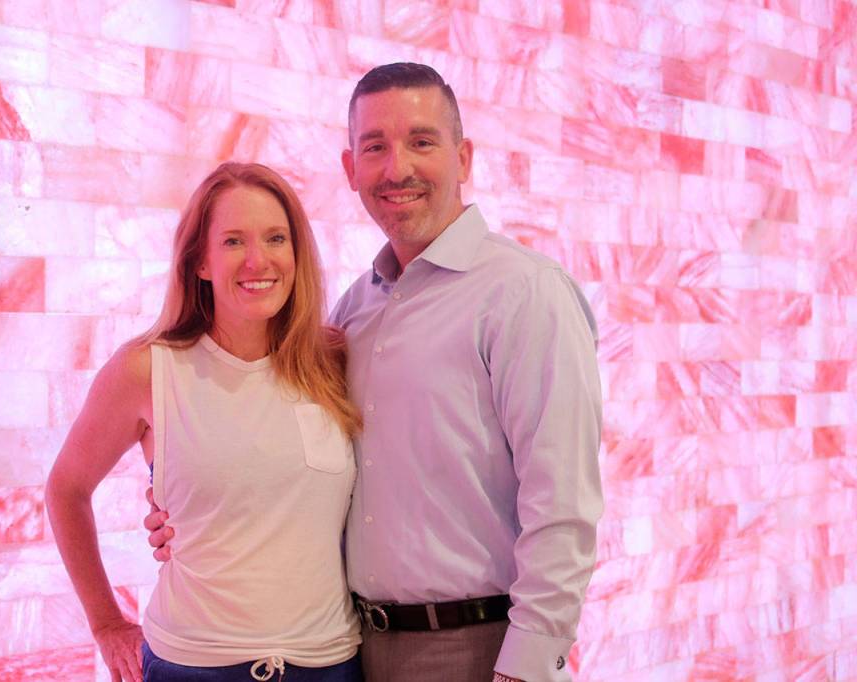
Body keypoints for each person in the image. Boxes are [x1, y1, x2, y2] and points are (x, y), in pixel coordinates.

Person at [146, 63, 603, 682]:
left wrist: (526, 667)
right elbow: (286, 459)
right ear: (350, 168)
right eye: (375, 147)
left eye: (421, 141)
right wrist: (188, 502)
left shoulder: (526, 295)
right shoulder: (351, 312)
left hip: (481, 650)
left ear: (463, 157)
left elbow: (564, 502)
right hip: (354, 649)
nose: (397, 169)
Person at [46, 162, 363, 682]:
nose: (258, 260)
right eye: (234, 241)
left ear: (297, 252)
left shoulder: (332, 362)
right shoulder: (148, 370)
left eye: (276, 238)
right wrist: (106, 623)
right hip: (192, 666)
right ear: (200, 261)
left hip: (328, 663)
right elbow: (66, 488)